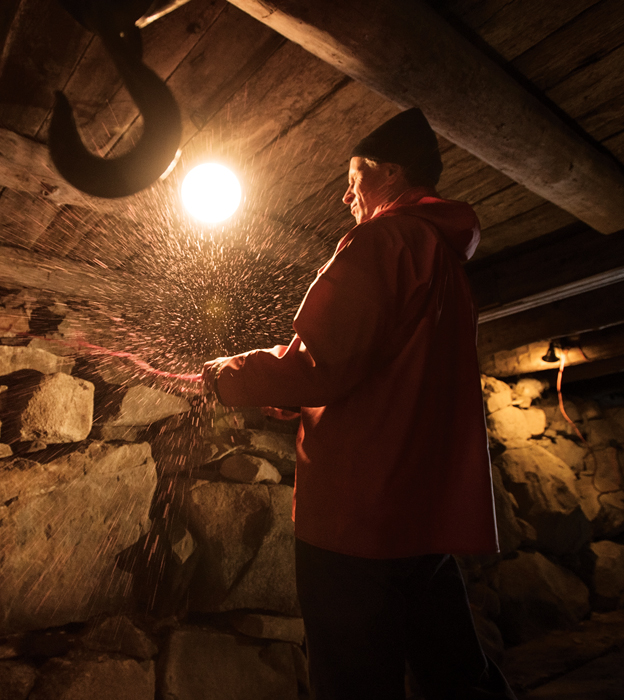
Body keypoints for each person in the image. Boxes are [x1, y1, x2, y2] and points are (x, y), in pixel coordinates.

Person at [201, 108, 516, 700]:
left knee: (352, 681)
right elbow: (383, 370)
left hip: (357, 513)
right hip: (419, 511)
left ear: (390, 172)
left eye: (355, 176)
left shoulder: (382, 238)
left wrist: (231, 375)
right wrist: (297, 400)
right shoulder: (442, 259)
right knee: (456, 676)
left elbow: (322, 363)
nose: (346, 194)